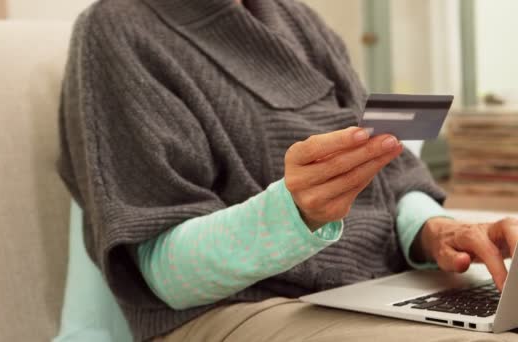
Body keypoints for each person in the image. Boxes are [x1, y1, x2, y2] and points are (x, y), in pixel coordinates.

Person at [56, 0, 518, 341]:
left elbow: (391, 172)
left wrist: (435, 231)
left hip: (376, 288)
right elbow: (163, 273)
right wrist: (293, 214)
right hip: (237, 309)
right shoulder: (117, 29)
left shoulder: (295, 18)